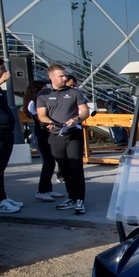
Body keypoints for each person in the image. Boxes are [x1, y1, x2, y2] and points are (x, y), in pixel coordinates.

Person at [36, 63, 90, 215]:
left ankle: (80, 200)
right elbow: (41, 115)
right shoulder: (43, 95)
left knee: (76, 167)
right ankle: (72, 197)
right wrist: (49, 122)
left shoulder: (74, 93)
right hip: (55, 135)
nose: (65, 78)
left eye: (65, 75)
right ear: (51, 77)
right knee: (64, 169)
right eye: (61, 76)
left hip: (73, 134)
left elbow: (85, 111)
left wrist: (77, 119)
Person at [24, 81, 64, 202]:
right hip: (41, 135)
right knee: (48, 162)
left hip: (49, 134)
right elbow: (41, 121)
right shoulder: (33, 104)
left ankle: (48, 189)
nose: (46, 92)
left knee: (51, 162)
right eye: (43, 90)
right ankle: (41, 191)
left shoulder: (44, 101)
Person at [0, 60, 24, 213]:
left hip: (6, 133)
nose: (5, 71)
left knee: (1, 169)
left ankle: (2, 197)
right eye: (1, 68)